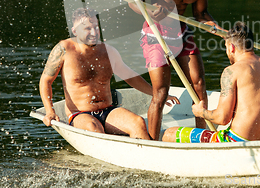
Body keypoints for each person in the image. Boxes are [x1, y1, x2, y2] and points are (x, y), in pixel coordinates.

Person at [131, 0, 223, 140]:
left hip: (182, 33)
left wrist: (215, 27)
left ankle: (205, 137)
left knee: (198, 86)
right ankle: (153, 143)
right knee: (161, 91)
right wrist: (149, 11)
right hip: (155, 34)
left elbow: (201, 15)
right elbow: (132, 1)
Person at [39, 7, 178, 140]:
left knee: (138, 122)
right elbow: (46, 81)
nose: (94, 32)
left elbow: (130, 76)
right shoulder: (64, 50)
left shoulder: (108, 51)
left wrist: (158, 95)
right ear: (75, 31)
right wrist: (50, 111)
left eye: (96, 27)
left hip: (108, 111)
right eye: (87, 28)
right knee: (93, 128)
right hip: (80, 114)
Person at [161, 22, 260, 143]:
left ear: (231, 47)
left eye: (226, 47)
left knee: (169, 134)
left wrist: (201, 112)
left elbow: (222, 118)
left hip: (236, 141)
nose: (227, 52)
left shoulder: (232, 71)